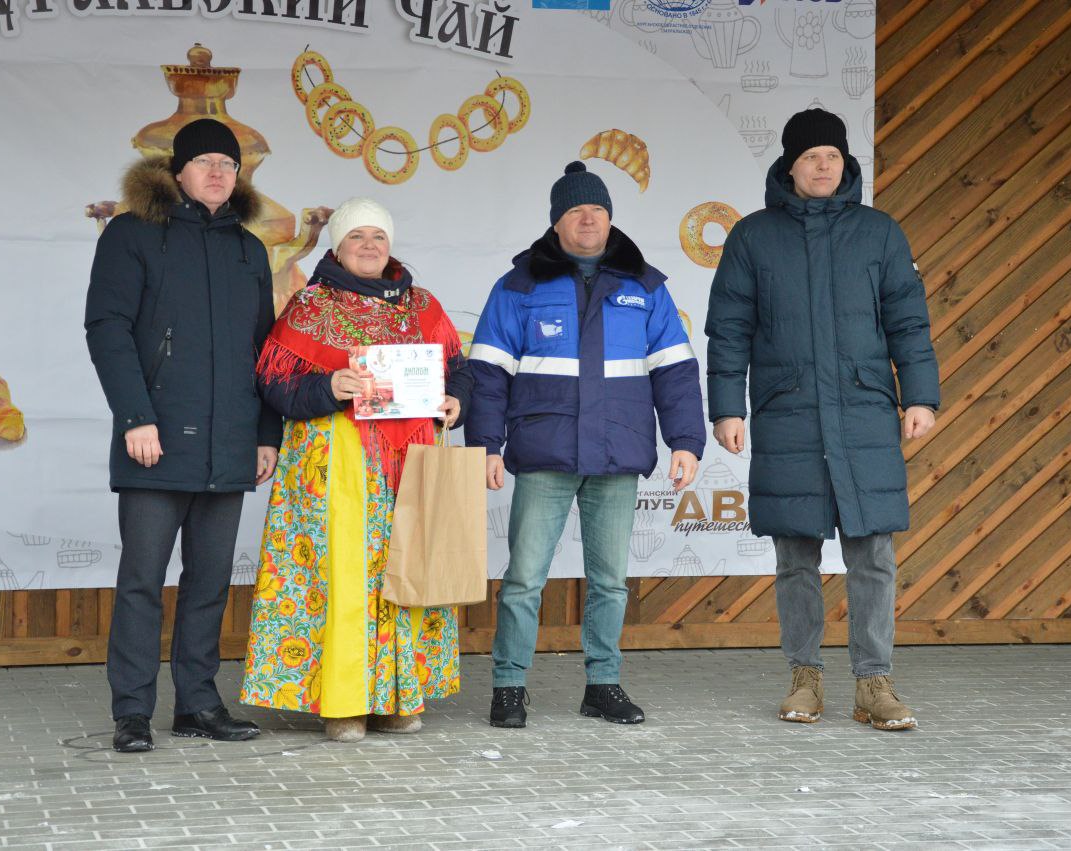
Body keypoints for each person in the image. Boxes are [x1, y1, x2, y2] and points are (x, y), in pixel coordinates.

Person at [704, 109, 940, 730]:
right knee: (795, 555)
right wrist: (727, 406)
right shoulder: (753, 237)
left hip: (863, 409)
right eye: (811, 157)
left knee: (873, 553)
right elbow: (728, 330)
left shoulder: (879, 233)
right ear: (789, 165)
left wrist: (920, 396)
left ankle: (874, 683)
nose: (823, 166)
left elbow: (908, 322)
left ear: (845, 163)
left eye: (832, 156)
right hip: (789, 412)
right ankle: (805, 677)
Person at [466, 162, 705, 728]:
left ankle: (603, 684)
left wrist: (686, 440)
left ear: (610, 218)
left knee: (610, 581)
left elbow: (675, 369)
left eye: (596, 209)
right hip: (546, 452)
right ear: (557, 224)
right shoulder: (520, 286)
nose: (589, 218)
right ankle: (508, 687)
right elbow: (488, 371)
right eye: (576, 211)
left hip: (617, 453)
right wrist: (486, 444)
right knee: (524, 578)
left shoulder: (644, 286)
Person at [239, 197, 472, 743]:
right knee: (343, 575)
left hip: (407, 462)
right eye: (356, 237)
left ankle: (397, 697)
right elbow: (272, 385)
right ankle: (343, 701)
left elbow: (458, 369)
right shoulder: (309, 307)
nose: (369, 246)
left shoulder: (423, 307)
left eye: (378, 237)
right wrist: (328, 387)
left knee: (405, 568)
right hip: (335, 461)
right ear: (337, 247)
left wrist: (456, 401)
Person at [85, 118, 282, 753]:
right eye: (206, 163)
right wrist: (135, 418)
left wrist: (265, 432)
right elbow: (107, 328)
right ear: (178, 172)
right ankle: (133, 712)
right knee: (142, 578)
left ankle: (198, 704)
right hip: (156, 439)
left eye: (229, 163)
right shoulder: (133, 234)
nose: (219, 172)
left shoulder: (248, 250)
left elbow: (265, 350)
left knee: (210, 581)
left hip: (228, 446)